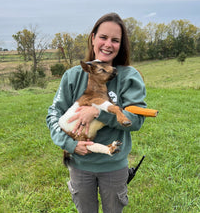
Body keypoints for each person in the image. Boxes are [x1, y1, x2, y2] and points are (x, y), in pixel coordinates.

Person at [46, 13, 147, 213]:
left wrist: (97, 113)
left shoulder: (129, 77)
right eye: (103, 37)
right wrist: (70, 144)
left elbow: (136, 120)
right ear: (93, 39)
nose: (108, 44)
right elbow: (53, 115)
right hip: (80, 166)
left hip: (113, 166)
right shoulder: (73, 76)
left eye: (115, 40)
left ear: (121, 45)